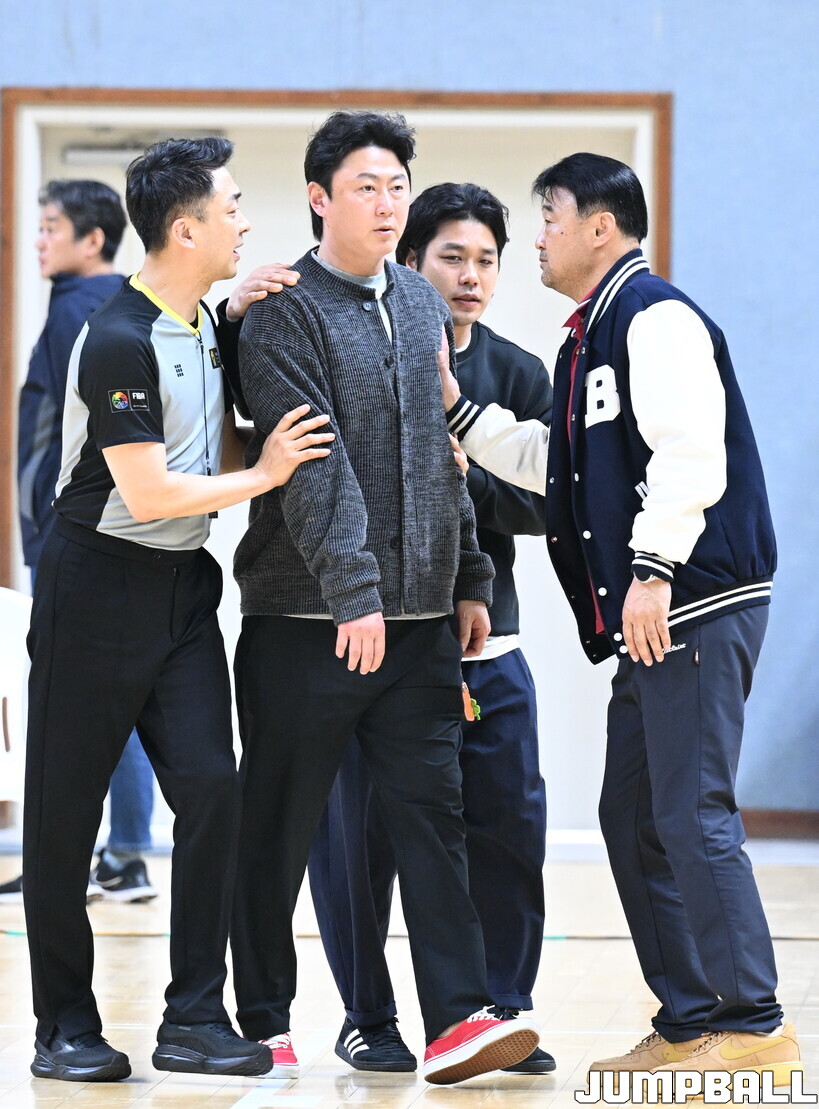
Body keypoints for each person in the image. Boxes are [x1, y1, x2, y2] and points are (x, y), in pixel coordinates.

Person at [440, 152, 801, 1089]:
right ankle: (689, 1017)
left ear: (600, 227)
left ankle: (752, 1021)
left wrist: (651, 570)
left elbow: (690, 451)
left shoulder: (654, 316)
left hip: (690, 599)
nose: (538, 239)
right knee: (633, 813)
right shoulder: (586, 340)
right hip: (657, 615)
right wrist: (459, 411)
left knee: (689, 808)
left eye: (549, 219)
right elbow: (557, 461)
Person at [230, 110, 540, 1086]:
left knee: (433, 821)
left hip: (418, 627)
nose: (385, 201)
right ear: (319, 198)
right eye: (365, 185)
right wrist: (354, 590)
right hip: (306, 621)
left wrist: (469, 579)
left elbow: (439, 457)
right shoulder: (282, 312)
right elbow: (312, 465)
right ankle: (262, 1017)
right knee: (279, 825)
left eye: (396, 185)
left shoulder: (415, 301)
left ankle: (455, 1020)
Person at [22, 137, 334, 1083]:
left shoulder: (201, 318)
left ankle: (194, 1016)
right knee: (64, 819)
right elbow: (150, 492)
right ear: (185, 228)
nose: (245, 222)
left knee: (212, 791)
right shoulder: (116, 337)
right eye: (232, 208)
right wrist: (267, 473)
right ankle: (63, 1028)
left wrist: (237, 322)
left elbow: (199, 451)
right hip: (94, 587)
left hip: (183, 590)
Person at [307, 182, 555, 1076]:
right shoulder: (357, 353)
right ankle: (366, 1015)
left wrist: (467, 472)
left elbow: (551, 503)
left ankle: (499, 1009)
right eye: (452, 256)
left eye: (486, 260)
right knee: (357, 838)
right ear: (409, 262)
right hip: (377, 638)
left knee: (507, 829)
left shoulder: (518, 373)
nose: (470, 276)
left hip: (490, 643)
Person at [0, 180, 158, 908]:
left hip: (72, 540)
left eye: (50, 227)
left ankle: (106, 858)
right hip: (90, 536)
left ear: (93, 239)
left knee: (84, 700)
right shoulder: (110, 302)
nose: (37, 241)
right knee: (109, 693)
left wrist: (50, 534)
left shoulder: (80, 308)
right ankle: (122, 854)